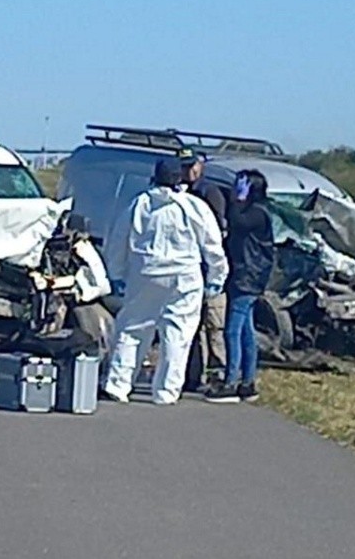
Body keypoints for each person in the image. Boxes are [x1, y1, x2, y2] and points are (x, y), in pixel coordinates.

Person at [100, 157, 229, 406]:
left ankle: (118, 384)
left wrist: (116, 274)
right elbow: (213, 246)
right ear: (178, 178)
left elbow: (118, 240)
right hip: (185, 277)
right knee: (178, 334)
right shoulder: (194, 206)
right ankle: (166, 391)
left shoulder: (140, 204)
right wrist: (217, 277)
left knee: (133, 328)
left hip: (145, 273)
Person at [205, 169, 274, 404]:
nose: (235, 190)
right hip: (244, 276)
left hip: (248, 278)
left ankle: (231, 382)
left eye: (241, 186)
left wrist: (237, 201)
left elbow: (236, 221)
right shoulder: (254, 211)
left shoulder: (257, 213)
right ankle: (248, 382)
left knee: (232, 330)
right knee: (246, 331)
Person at [177, 148, 229, 394]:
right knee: (192, 327)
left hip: (211, 270)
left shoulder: (209, 193)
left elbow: (219, 234)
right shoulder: (178, 194)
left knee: (214, 326)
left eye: (192, 166)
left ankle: (218, 374)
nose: (188, 171)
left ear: (201, 166)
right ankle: (193, 375)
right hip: (189, 272)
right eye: (184, 166)